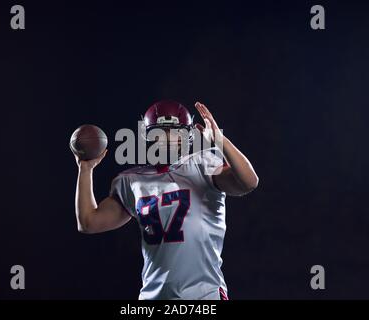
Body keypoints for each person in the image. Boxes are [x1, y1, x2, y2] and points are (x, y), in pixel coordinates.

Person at [73, 100, 259, 300]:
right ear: (147, 136)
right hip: (154, 298)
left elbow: (249, 182)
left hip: (204, 296)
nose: (168, 139)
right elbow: (89, 223)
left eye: (176, 132)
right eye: (160, 133)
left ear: (188, 136)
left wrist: (220, 141)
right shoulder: (132, 181)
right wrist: (85, 169)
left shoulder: (203, 165)